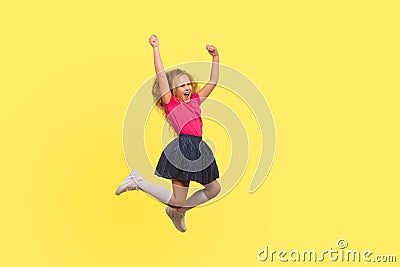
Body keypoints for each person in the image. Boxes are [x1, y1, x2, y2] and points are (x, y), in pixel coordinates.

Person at [115, 34, 221, 232]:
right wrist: (156, 48)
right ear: (173, 90)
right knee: (180, 198)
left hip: (198, 149)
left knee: (211, 189)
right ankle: (138, 182)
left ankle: (177, 212)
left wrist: (215, 57)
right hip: (182, 149)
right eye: (182, 85)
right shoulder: (171, 103)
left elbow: (213, 81)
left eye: (189, 84)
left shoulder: (196, 100)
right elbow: (161, 75)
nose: (188, 87)